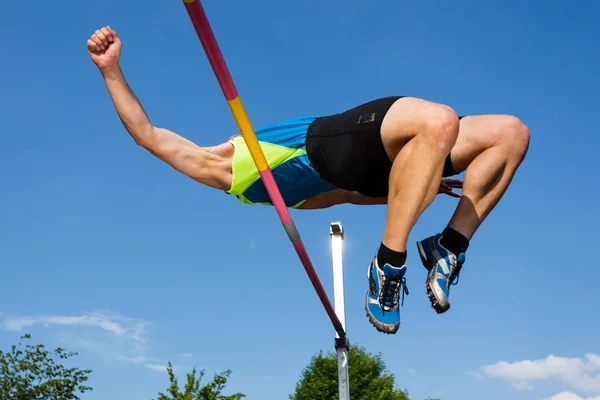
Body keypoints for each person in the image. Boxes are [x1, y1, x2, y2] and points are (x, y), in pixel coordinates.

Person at [88, 26, 530, 334]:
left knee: (510, 134)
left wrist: (422, 177)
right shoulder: (228, 176)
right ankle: (388, 263)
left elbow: (354, 196)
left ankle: (448, 247)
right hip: (346, 165)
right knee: (440, 121)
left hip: (334, 144)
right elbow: (146, 135)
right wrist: (111, 71)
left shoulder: (248, 167)